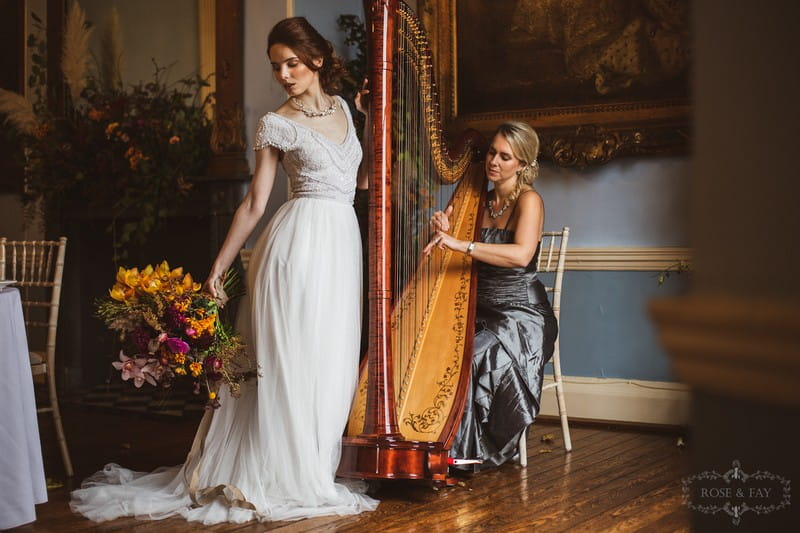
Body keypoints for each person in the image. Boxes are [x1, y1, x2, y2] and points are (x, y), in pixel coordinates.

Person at [70, 17, 377, 523]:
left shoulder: (346, 109)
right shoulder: (277, 123)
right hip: (295, 249)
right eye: (276, 65)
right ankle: (284, 473)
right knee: (291, 363)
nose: (283, 73)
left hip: (341, 246)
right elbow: (255, 204)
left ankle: (313, 468)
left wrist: (370, 119)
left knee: (328, 361)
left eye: (292, 63)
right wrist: (219, 265)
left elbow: (359, 182)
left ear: (317, 60)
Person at [424, 121, 558, 470]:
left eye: (505, 156)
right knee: (440, 349)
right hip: (479, 308)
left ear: (523, 164)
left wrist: (461, 243)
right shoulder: (476, 201)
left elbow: (520, 255)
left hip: (521, 315)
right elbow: (459, 255)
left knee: (467, 354)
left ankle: (461, 454)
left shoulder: (530, 201)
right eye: (491, 153)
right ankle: (429, 441)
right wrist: (442, 232)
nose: (493, 161)